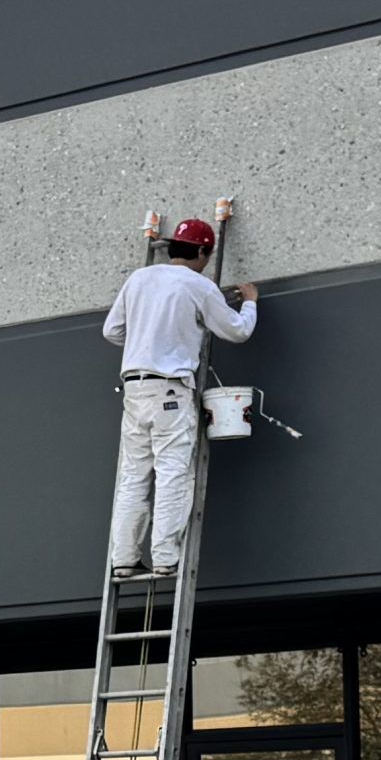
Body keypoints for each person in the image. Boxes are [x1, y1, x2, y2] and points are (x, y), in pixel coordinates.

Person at [101, 210, 257, 576]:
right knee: (173, 472)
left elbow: (112, 331)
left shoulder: (139, 279)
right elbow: (236, 331)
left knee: (134, 474)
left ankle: (123, 559)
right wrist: (250, 301)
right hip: (170, 390)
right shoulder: (198, 285)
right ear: (203, 253)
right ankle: (166, 558)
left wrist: (147, 338)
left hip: (135, 389)